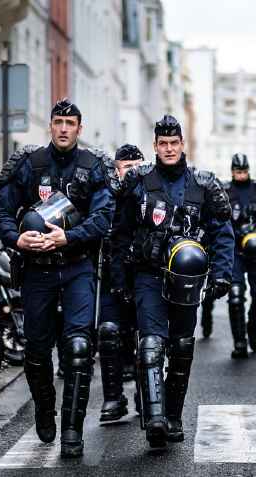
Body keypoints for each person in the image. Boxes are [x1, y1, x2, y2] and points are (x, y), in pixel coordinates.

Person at [0, 98, 115, 457]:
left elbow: (103, 217)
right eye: (58, 121)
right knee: (36, 351)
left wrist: (69, 236)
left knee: (78, 348)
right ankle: (44, 411)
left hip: (77, 267)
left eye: (70, 123)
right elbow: (1, 210)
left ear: (80, 128)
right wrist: (15, 237)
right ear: (51, 125)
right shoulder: (31, 165)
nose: (64, 128)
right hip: (37, 270)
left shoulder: (93, 167)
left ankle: (73, 432)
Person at [112, 115, 234, 448]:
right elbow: (120, 233)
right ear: (155, 146)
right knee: (151, 344)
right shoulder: (137, 182)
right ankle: (154, 420)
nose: (168, 149)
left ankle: (174, 416)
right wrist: (120, 278)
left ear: (182, 145)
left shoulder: (203, 184)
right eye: (162, 144)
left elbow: (223, 232)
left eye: (174, 143)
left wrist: (222, 274)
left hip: (187, 282)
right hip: (148, 275)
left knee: (181, 348)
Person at [200, 153, 256, 357]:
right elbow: (214, 220)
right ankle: (239, 342)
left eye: (244, 171)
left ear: (248, 170)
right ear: (232, 171)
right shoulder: (224, 192)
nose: (241, 175)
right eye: (238, 172)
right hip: (235, 251)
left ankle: (252, 329)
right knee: (235, 297)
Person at [97, 144, 144, 423]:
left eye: (137, 166)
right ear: (117, 170)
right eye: (127, 167)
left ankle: (145, 393)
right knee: (109, 332)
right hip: (112, 277)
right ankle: (114, 398)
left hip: (143, 277)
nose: (132, 172)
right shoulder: (105, 196)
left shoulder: (151, 193)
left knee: (147, 340)